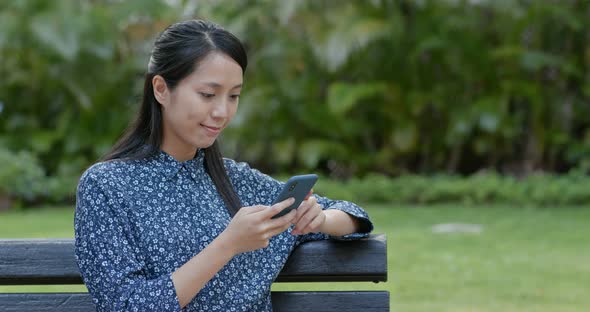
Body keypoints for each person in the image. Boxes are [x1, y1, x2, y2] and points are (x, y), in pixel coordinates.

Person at [74, 19, 373, 312]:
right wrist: (228, 244)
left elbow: (355, 217)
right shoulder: (107, 186)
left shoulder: (236, 179)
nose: (221, 111)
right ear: (161, 89)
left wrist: (319, 220)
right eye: (207, 94)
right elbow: (126, 305)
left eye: (234, 96)